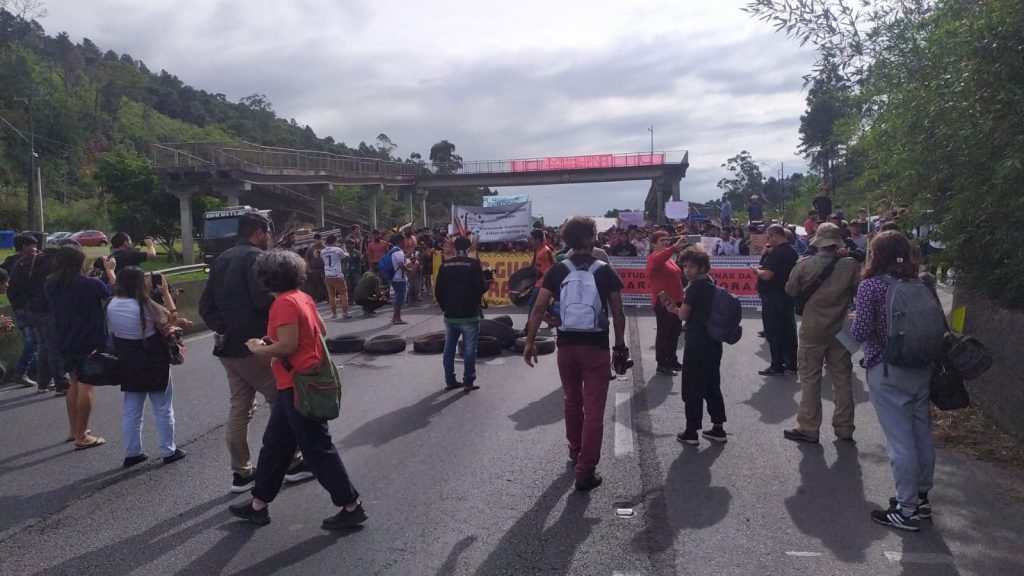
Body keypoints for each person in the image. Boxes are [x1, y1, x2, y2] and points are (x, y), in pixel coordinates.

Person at [228, 250, 366, 530]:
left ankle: (351, 505)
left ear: (266, 278)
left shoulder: (283, 304)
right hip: (297, 383)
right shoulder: (302, 297)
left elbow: (288, 347)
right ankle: (258, 504)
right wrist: (276, 339)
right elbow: (319, 331)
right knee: (275, 446)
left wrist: (259, 347)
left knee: (318, 449)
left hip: (298, 385)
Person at [199, 213, 310, 493]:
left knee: (240, 408)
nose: (270, 238)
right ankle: (293, 463)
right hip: (256, 348)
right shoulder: (256, 259)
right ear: (259, 232)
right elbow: (264, 301)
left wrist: (223, 328)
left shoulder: (222, 259)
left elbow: (205, 306)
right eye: (268, 233)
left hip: (228, 348)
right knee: (283, 401)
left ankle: (241, 472)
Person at [523, 216, 626, 492]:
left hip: (566, 347)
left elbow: (538, 308)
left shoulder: (557, 271)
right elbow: (617, 312)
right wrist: (619, 345)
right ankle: (586, 469)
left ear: (566, 239)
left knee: (571, 400)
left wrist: (530, 341)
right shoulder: (605, 270)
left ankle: (575, 448)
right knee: (594, 411)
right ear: (592, 237)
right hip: (596, 348)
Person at [852, 231, 937, 532]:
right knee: (922, 432)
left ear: (875, 255)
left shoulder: (871, 286)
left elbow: (860, 331)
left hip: (887, 369)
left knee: (900, 441)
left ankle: (906, 508)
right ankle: (922, 497)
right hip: (922, 366)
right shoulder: (923, 282)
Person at [782, 223, 861, 444]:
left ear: (818, 241)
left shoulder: (804, 265)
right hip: (840, 330)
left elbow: (791, 290)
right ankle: (845, 427)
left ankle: (809, 427)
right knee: (843, 379)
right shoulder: (851, 266)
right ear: (837, 242)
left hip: (812, 329)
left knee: (810, 379)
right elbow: (859, 292)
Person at [107, 267, 190, 467]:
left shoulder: (112, 304)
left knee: (132, 409)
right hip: (154, 361)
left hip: (128, 361)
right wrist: (166, 293)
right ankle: (168, 450)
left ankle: (132, 452)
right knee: (162, 407)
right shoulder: (147, 306)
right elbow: (170, 316)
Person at [45, 245, 114, 449]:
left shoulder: (50, 285)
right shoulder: (90, 284)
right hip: (89, 339)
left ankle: (74, 429)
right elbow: (112, 291)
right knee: (86, 385)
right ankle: (82, 436)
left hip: (65, 338)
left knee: (73, 382)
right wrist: (109, 271)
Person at [660, 248, 727, 445]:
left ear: (703, 267)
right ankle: (718, 427)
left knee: (692, 388)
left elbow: (683, 315)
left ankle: (691, 431)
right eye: (685, 266)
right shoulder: (711, 283)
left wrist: (673, 309)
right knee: (712, 385)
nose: (687, 270)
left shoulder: (695, 288)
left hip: (697, 342)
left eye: (692, 266)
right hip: (714, 342)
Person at [435, 236, 488, 392]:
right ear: (468, 249)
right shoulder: (474, 265)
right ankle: (468, 381)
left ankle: (450, 380)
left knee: (449, 348)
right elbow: (481, 288)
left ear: (454, 248)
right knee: (470, 348)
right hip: (470, 315)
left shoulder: (444, 266)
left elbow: (438, 291)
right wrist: (487, 285)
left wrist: (445, 307)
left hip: (450, 315)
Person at [23, 246, 72, 396]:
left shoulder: (36, 262)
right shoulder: (54, 266)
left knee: (43, 346)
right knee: (54, 347)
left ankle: (43, 382)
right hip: (46, 310)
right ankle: (61, 383)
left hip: (33, 309)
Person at [753, 224, 799, 376]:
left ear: (775, 236)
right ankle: (791, 363)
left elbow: (767, 275)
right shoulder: (792, 252)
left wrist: (756, 271)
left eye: (769, 237)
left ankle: (777, 364)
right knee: (788, 330)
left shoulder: (777, 253)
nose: (768, 241)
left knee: (774, 332)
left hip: (773, 297)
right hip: (786, 295)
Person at [646, 231, 687, 376]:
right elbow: (659, 260)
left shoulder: (669, 259)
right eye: (662, 240)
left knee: (675, 332)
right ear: (653, 244)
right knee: (664, 333)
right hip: (663, 303)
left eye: (668, 240)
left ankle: (672, 359)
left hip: (676, 301)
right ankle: (662, 363)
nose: (666, 242)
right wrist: (673, 248)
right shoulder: (653, 258)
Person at [3, 233, 40, 387]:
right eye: (33, 246)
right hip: (26, 307)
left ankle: (34, 370)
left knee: (31, 339)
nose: (36, 249)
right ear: (25, 247)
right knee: (33, 340)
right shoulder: (25, 263)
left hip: (18, 307)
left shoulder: (8, 263)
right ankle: (22, 372)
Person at [524, 229, 557, 329]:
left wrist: (548, 276)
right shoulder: (537, 250)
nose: (530, 241)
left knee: (532, 304)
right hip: (538, 282)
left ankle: (529, 327)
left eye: (532, 239)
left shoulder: (546, 251)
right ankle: (557, 318)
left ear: (537, 240)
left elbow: (555, 264)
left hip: (544, 283)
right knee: (546, 305)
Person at [320, 235, 350, 319]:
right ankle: (345, 313)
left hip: (327, 276)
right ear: (334, 241)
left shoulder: (322, 252)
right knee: (343, 294)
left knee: (331, 295)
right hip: (337, 275)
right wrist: (344, 249)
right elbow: (346, 256)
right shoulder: (337, 250)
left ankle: (334, 314)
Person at [387, 234, 409, 325]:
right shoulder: (399, 252)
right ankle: (398, 319)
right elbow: (401, 265)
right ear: (400, 241)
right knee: (399, 299)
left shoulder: (392, 251)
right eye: (404, 241)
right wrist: (409, 270)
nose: (405, 243)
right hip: (400, 278)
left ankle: (394, 317)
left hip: (394, 277)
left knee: (397, 297)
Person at [303, 233, 326, 303]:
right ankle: (318, 297)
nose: (319, 241)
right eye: (317, 239)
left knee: (323, 283)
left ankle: (321, 297)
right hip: (314, 269)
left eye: (320, 239)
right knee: (318, 283)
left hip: (323, 268)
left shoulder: (324, 247)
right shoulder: (311, 248)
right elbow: (306, 259)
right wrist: (309, 268)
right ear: (314, 240)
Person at [342, 239, 363, 306]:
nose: (350, 245)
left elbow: (361, 261)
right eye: (348, 244)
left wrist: (361, 258)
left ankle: (357, 299)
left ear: (354, 245)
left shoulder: (357, 252)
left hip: (356, 273)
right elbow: (342, 261)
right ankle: (350, 300)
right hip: (347, 273)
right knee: (349, 288)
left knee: (356, 287)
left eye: (352, 244)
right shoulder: (345, 253)